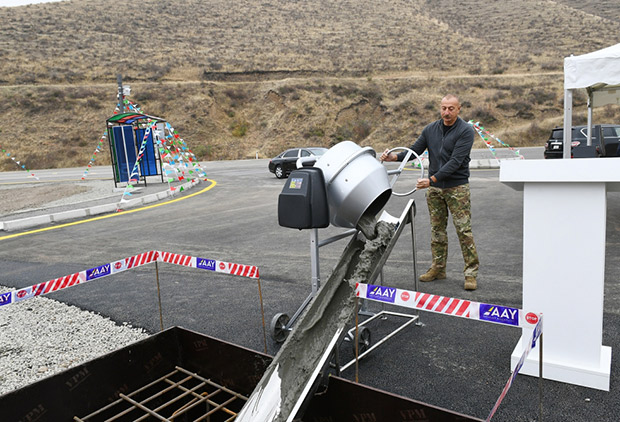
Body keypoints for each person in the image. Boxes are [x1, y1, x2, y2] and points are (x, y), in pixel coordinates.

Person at [381, 94, 479, 291]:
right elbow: (413, 151)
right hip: (434, 189)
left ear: (459, 109)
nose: (446, 112)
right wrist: (394, 157)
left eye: (451, 108)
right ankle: (438, 268)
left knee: (463, 231)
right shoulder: (430, 129)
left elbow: (456, 161)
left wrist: (431, 179)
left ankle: (471, 273)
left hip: (456, 187)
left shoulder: (466, 131)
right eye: (443, 108)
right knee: (437, 231)